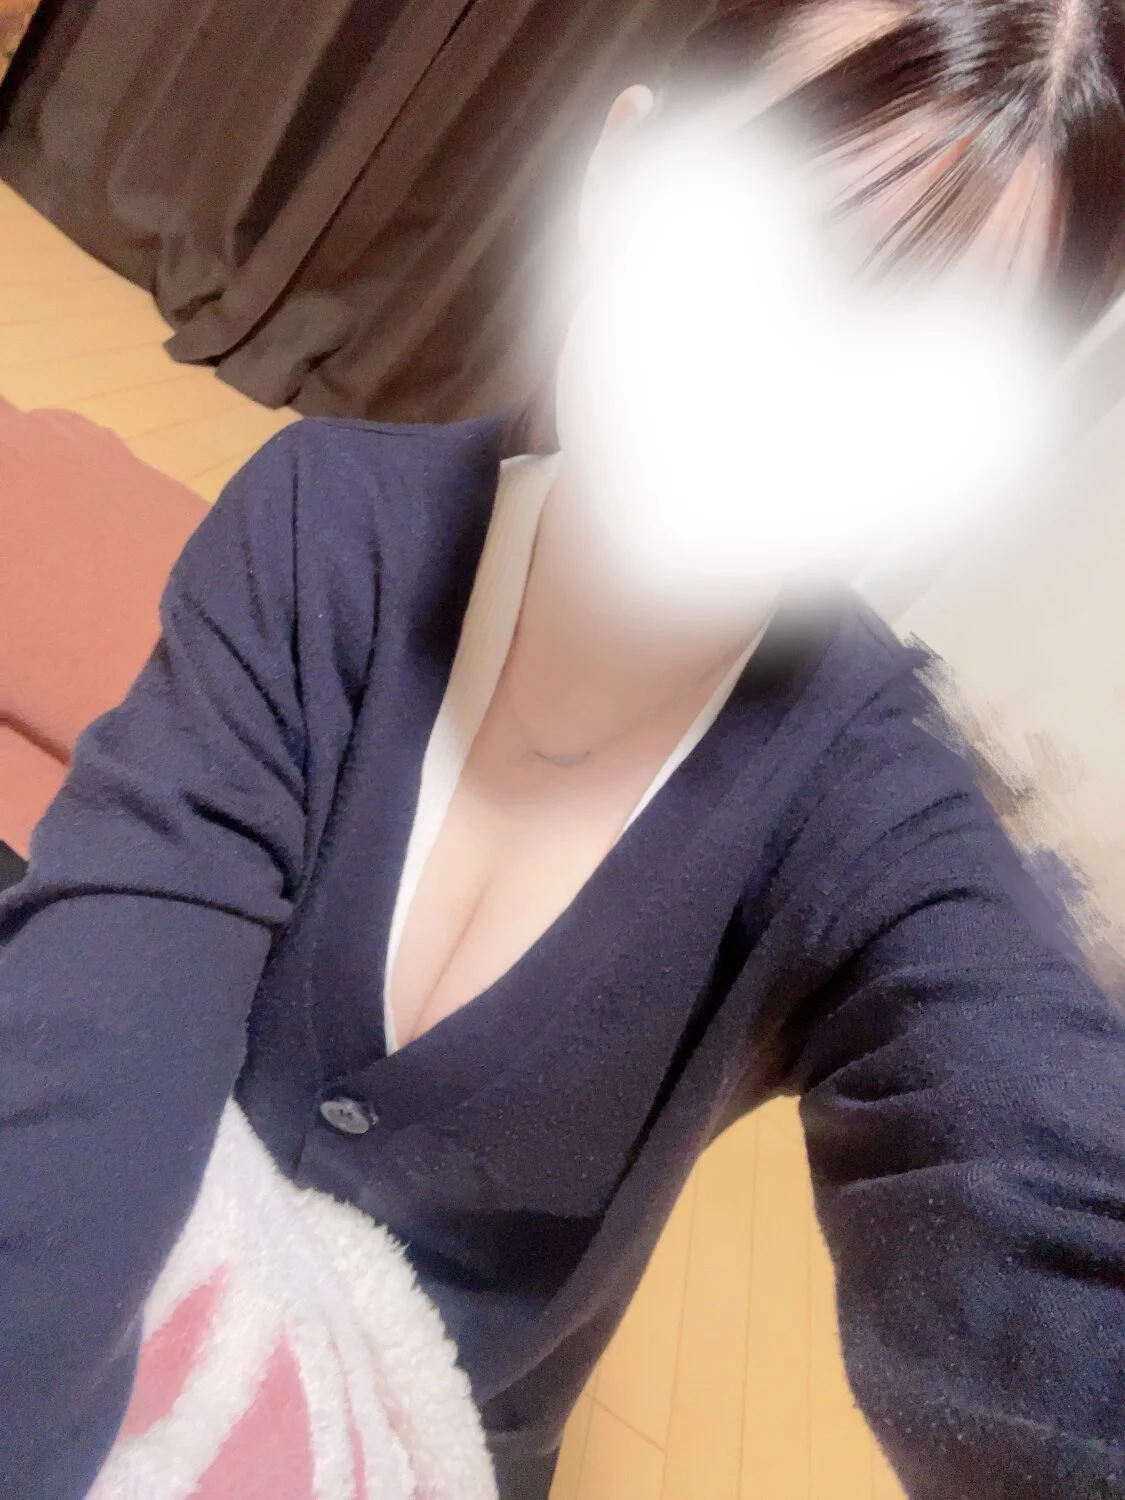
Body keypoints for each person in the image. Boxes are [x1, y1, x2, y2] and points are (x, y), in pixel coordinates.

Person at [3, 3, 1125, 1498]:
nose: (777, 397)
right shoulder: (325, 528)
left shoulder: (882, 822)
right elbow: (84, 1054)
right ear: (624, 171)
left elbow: (1049, 1222)